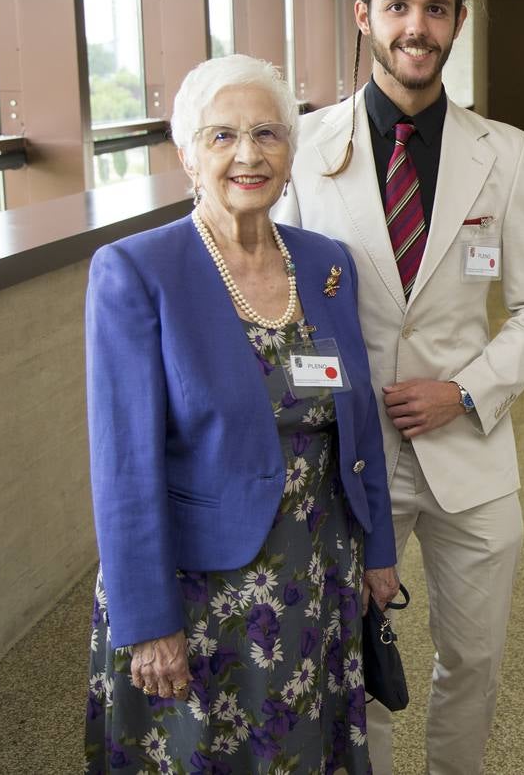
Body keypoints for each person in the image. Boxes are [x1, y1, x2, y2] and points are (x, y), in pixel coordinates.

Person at [276, 0, 524, 775]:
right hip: (347, 457)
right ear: (365, 16)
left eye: (435, 9)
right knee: (357, 664)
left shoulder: (501, 154)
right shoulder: (304, 149)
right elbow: (281, 314)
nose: (417, 26)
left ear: (458, 21)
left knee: (472, 662)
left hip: (468, 453)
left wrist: (465, 392)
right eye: (398, 6)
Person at [83, 53, 399, 774]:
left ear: (292, 153)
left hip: (317, 576)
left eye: (267, 133)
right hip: (200, 592)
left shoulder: (326, 265)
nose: (248, 155)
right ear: (187, 155)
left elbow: (355, 427)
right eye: (221, 136)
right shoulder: (137, 271)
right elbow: (124, 465)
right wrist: (148, 620)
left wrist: (377, 550)